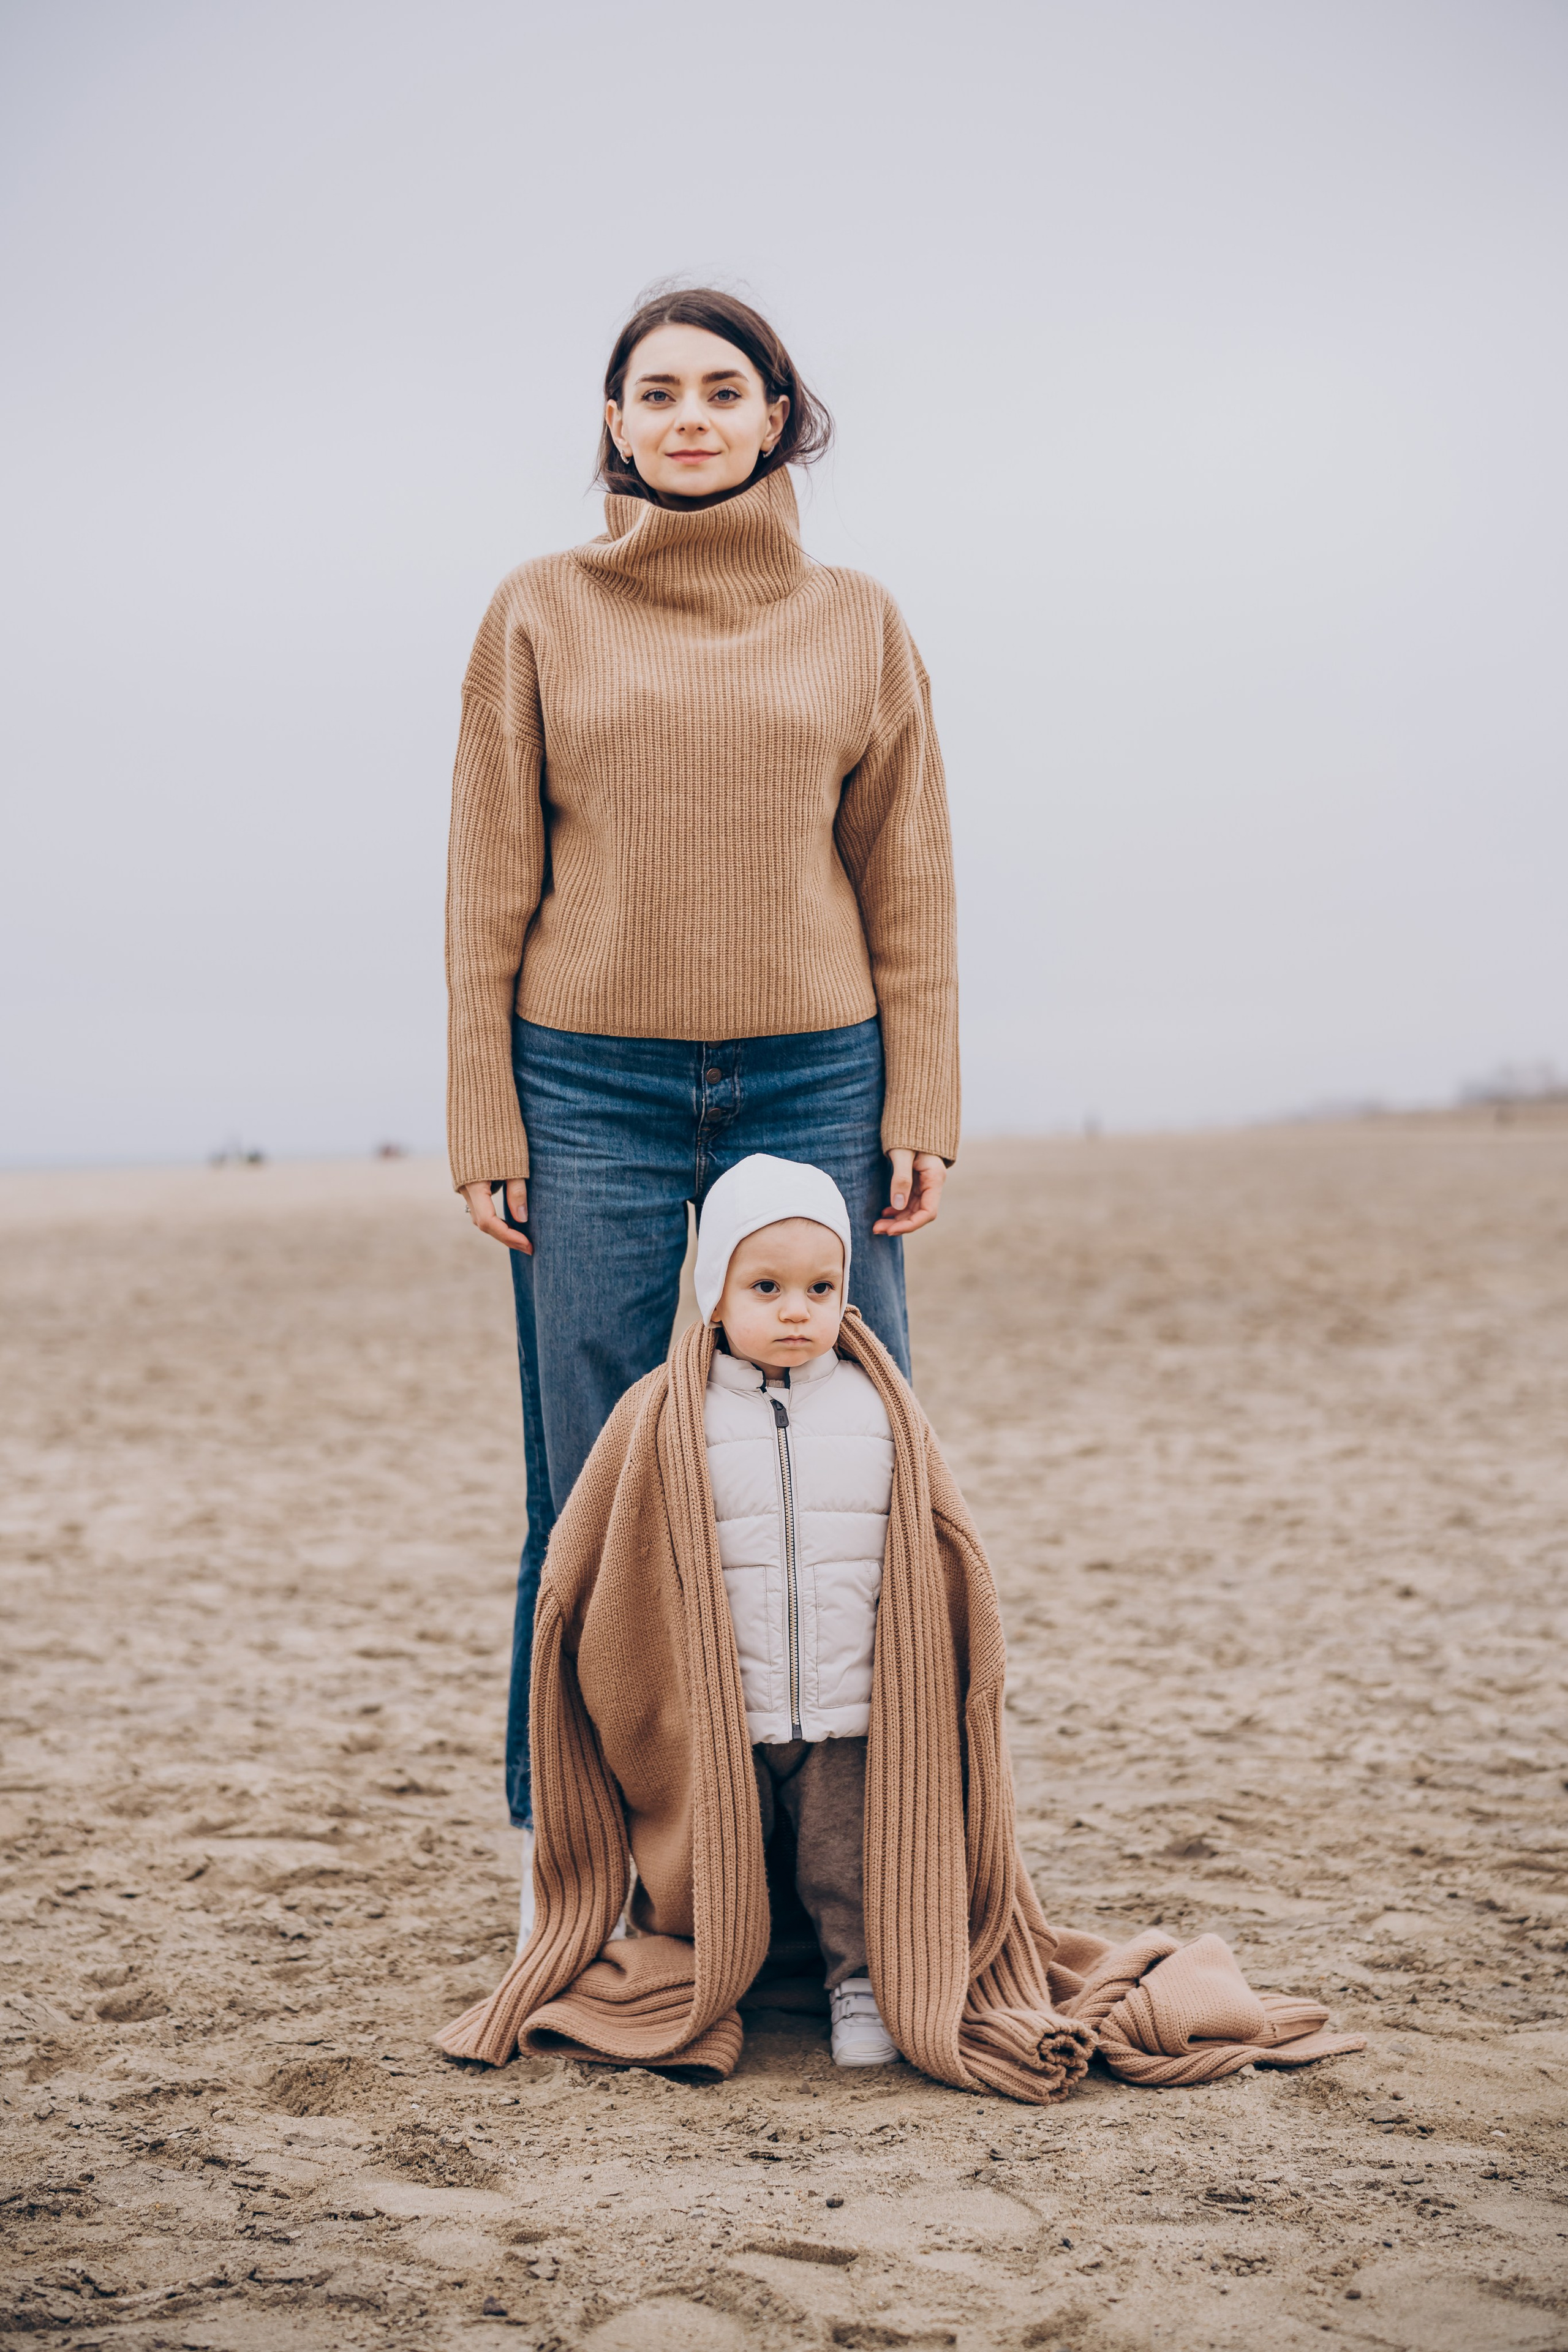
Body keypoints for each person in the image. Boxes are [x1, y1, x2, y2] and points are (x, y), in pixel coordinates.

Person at [435, 1159, 1366, 2101]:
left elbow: (947, 1548)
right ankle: (720, 1979)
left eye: (822, 1288)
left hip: (851, 1711)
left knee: (849, 1869)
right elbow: (589, 1551)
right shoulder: (663, 1415)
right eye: (767, 1288)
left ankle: (861, 1987)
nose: (798, 1310)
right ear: (713, 1293)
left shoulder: (881, 1410)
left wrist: (965, 1668)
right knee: (717, 1866)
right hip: (729, 1718)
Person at [443, 287, 960, 1929]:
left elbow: (909, 868)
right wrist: (484, 1111)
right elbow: (487, 878)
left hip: (817, 1072)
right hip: (584, 1081)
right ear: (614, 424)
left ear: (774, 416)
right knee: (591, 1472)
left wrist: (923, 1090)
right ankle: (574, 1865)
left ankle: (848, 1873)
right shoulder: (535, 610)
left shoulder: (859, 621)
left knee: (847, 1453)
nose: (686, 415)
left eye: (720, 390)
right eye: (653, 391)